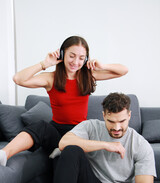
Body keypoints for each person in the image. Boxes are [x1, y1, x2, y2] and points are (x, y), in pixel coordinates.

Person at [0, 36, 128, 166]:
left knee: (72, 151)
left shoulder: (89, 75)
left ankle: (62, 149)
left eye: (81, 58)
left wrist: (102, 66)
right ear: (62, 54)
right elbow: (18, 79)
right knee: (40, 126)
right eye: (72, 56)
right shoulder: (51, 78)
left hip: (79, 133)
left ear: (86, 59)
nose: (76, 62)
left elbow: (123, 70)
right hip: (56, 132)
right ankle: (4, 154)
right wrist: (45, 64)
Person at [47, 92, 160, 183]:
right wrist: (106, 145)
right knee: (71, 149)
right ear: (103, 115)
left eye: (122, 121)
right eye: (111, 121)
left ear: (130, 115)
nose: (117, 127)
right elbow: (63, 143)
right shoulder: (91, 126)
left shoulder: (140, 145)